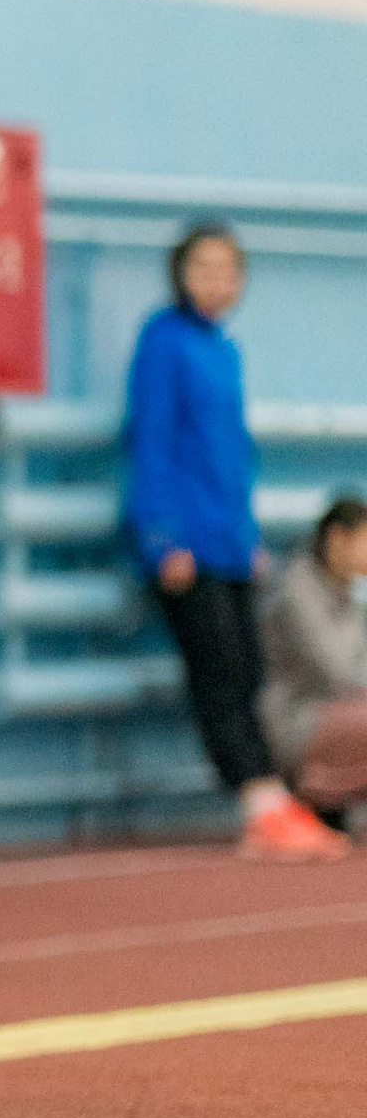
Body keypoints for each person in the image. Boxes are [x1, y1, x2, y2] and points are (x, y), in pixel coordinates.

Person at [121, 222, 346, 863]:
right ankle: (258, 801)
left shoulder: (225, 350)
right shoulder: (163, 344)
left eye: (227, 269)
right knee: (218, 674)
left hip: (229, 543)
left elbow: (231, 457)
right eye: (202, 266)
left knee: (250, 671)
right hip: (184, 545)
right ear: (179, 272)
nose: (215, 280)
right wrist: (162, 537)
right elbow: (154, 444)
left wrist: (246, 537)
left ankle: (276, 796)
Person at [258, 495, 367, 839]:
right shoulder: (297, 588)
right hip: (298, 724)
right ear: (337, 539)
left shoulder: (348, 590)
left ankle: (336, 810)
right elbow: (337, 672)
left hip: (342, 714)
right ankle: (318, 800)